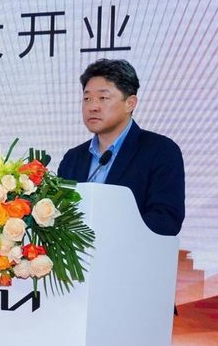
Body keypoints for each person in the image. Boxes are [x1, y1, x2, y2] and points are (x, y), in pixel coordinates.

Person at [57, 59, 185, 236]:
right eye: (87, 99)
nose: (92, 107)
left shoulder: (161, 151)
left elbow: (166, 219)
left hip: (132, 252)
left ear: (130, 103)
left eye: (103, 98)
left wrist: (109, 234)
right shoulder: (73, 159)